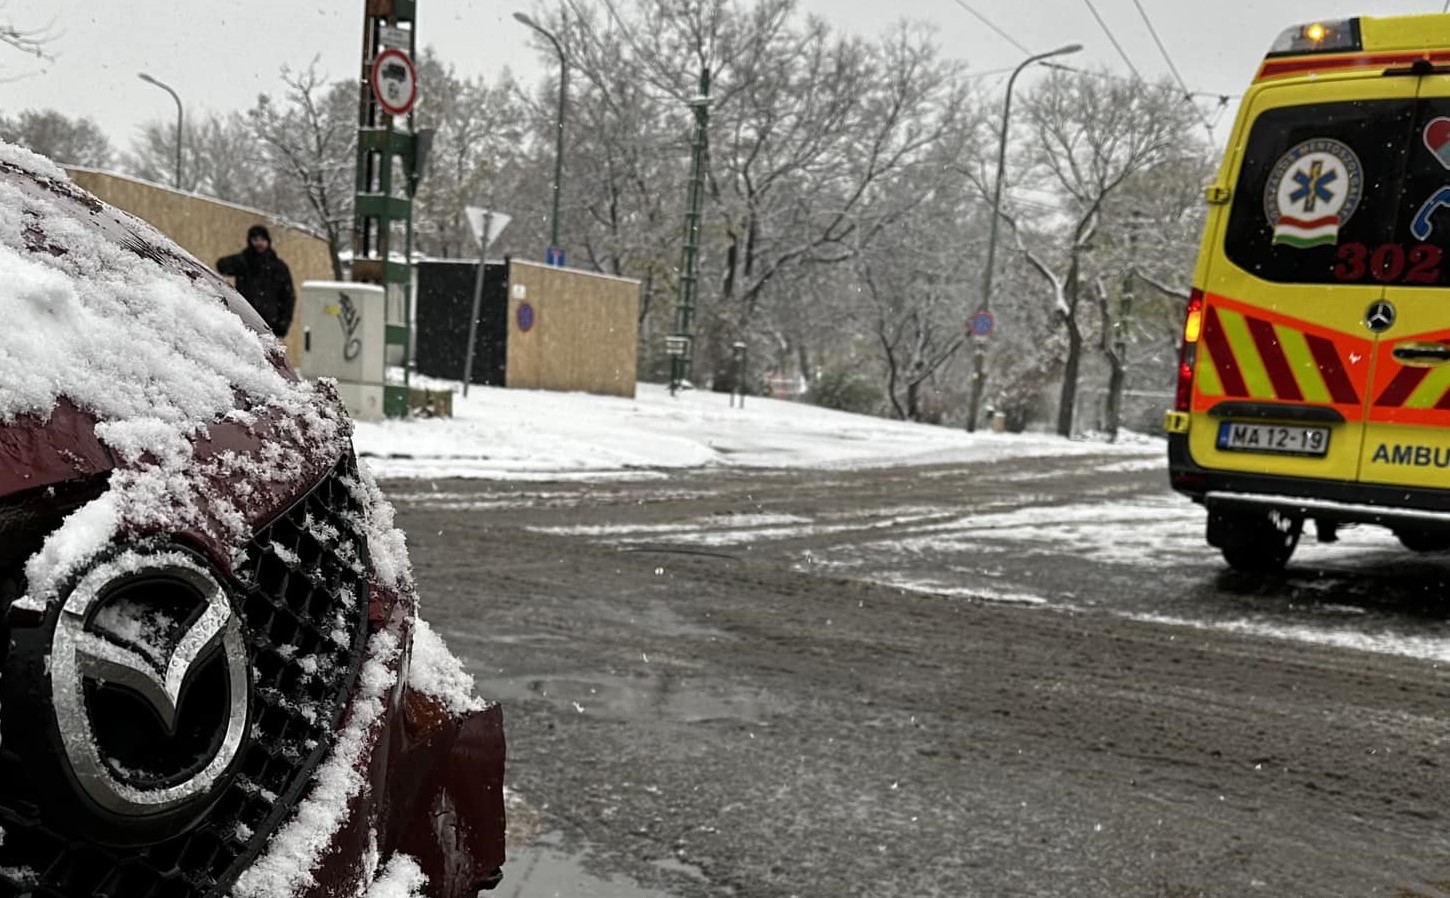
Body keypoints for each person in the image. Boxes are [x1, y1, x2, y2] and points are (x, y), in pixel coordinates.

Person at [217, 224, 296, 338]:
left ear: (268, 241)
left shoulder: (279, 267)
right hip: (244, 322)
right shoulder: (244, 262)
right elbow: (222, 266)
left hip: (270, 326)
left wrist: (283, 324)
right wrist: (241, 260)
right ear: (250, 241)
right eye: (255, 240)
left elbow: (288, 297)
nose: (259, 243)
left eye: (262, 240)